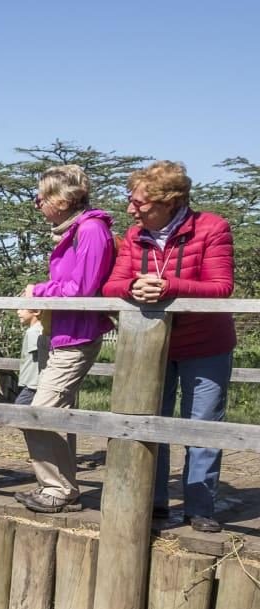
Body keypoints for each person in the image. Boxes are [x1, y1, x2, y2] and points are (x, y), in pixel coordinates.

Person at [102, 161, 235, 533]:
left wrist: (168, 286)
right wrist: (133, 288)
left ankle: (200, 508)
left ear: (170, 202)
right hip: (152, 347)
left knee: (202, 426)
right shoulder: (134, 235)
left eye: (139, 203)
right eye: (130, 201)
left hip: (206, 344)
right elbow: (112, 285)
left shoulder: (212, 228)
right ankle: (153, 502)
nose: (131, 209)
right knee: (150, 422)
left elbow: (222, 287)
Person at [16, 165, 116, 514]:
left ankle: (57, 489)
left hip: (77, 335)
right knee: (54, 413)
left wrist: (38, 291)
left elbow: (83, 289)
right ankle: (60, 487)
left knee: (39, 413)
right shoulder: (78, 231)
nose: (37, 205)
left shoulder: (90, 231)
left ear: (60, 200)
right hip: (64, 333)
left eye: (39, 198)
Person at [15, 308, 49, 405]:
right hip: (38, 384)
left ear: (36, 311)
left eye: (22, 308)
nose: (18, 311)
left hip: (33, 385)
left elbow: (41, 355)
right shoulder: (42, 329)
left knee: (18, 412)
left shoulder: (33, 332)